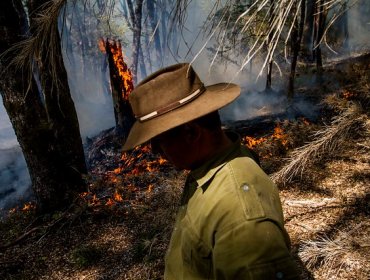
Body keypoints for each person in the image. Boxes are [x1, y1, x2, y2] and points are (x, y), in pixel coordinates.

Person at [122, 63, 300, 279]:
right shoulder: (210, 166)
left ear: (191, 133)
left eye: (158, 140)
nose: (154, 150)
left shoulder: (240, 215)